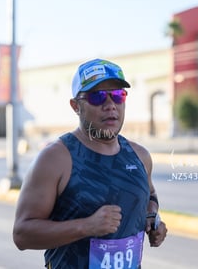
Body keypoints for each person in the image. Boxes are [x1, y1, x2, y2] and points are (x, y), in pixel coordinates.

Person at [13, 58, 168, 268]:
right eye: (97, 97)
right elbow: (22, 234)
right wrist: (86, 227)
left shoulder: (140, 156)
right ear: (76, 106)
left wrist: (152, 217)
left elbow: (150, 194)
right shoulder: (55, 159)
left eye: (118, 96)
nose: (110, 105)